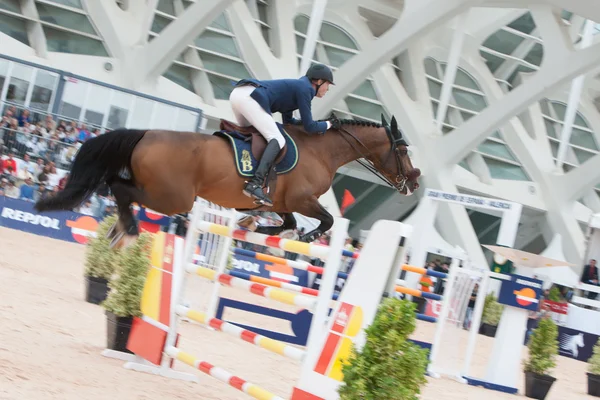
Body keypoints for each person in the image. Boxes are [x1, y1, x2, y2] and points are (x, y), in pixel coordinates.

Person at [229, 64, 340, 207]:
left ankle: (240, 172)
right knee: (277, 140)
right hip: (249, 98)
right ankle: (255, 183)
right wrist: (328, 125)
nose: (328, 89)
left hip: (239, 94)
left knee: (250, 135)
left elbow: (289, 121)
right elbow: (310, 126)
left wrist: (318, 124)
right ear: (318, 81)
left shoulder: (300, 86)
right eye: (328, 84)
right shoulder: (306, 89)